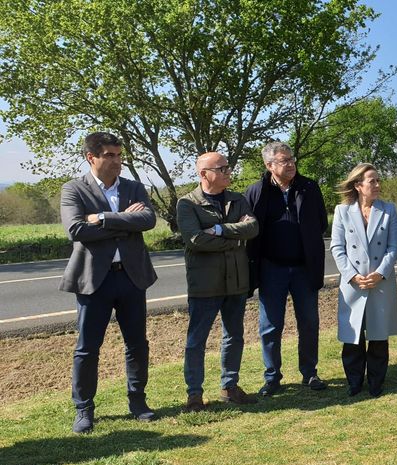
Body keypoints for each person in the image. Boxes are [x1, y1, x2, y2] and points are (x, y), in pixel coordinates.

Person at [60, 132, 158, 434]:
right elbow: (76, 229)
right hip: (94, 280)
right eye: (110, 155)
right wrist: (121, 221)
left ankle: (137, 401)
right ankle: (84, 409)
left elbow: (148, 221)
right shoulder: (74, 189)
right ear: (92, 157)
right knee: (87, 348)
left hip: (131, 276)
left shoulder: (133, 187)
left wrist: (101, 218)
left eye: (119, 155)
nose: (118, 161)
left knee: (137, 344)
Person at [177, 152, 259, 412]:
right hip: (205, 283)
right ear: (204, 174)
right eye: (222, 168)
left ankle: (229, 386)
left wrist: (222, 230)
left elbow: (254, 228)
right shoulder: (187, 203)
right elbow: (196, 240)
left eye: (228, 167)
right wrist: (236, 237)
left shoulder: (238, 199)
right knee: (196, 340)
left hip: (236, 281)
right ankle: (194, 395)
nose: (228, 172)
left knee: (234, 336)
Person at [245, 142, 328, 397]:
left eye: (292, 159)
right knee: (270, 326)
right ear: (269, 165)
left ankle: (309, 373)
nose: (291, 164)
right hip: (272, 269)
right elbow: (249, 230)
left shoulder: (309, 187)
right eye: (284, 161)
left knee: (309, 322)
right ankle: (272, 377)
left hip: (304, 268)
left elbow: (321, 222)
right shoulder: (256, 191)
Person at [330, 163, 397, 397]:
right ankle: (354, 382)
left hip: (380, 282)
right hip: (353, 284)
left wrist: (380, 273)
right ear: (359, 185)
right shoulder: (342, 211)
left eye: (378, 180)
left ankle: (376, 383)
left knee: (378, 336)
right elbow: (337, 248)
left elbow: (393, 248)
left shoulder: (389, 210)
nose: (378, 185)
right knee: (353, 337)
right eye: (373, 181)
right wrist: (352, 275)